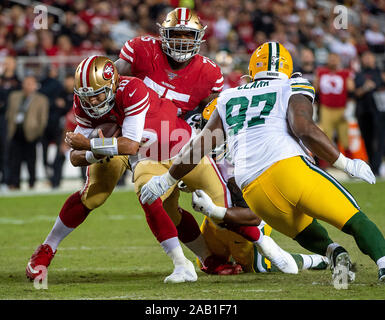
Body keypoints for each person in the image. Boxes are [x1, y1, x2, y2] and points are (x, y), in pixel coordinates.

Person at [140, 41, 385, 283]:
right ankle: (384, 264)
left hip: (255, 191)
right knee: (354, 219)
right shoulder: (292, 84)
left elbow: (198, 147)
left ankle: (332, 252)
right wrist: (346, 163)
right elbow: (304, 129)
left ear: (253, 69)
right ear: (287, 67)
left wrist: (167, 179)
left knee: (303, 228)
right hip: (289, 168)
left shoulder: (229, 96)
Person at [114, 7, 297, 278]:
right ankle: (205, 259)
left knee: (220, 200)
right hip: (148, 146)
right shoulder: (141, 50)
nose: (181, 41)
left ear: (198, 38)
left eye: (188, 35)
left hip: (185, 144)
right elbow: (109, 87)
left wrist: (205, 139)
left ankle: (260, 247)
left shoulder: (209, 73)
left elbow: (211, 117)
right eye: (175, 34)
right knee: (164, 208)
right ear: (163, 34)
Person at [25, 55, 197, 283]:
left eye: (97, 94)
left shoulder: (131, 89)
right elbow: (75, 159)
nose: (93, 102)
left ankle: (215, 254)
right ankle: (48, 247)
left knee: (182, 200)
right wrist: (93, 152)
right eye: (86, 96)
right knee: (94, 194)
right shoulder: (83, 103)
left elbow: (130, 144)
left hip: (157, 142)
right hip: (116, 146)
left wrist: (89, 144)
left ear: (113, 84)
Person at [5, 75, 49, 189]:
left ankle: (31, 183)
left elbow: (43, 119)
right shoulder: (14, 96)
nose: (28, 85)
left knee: (31, 161)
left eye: (31, 83)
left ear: (35, 85)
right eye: (26, 83)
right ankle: (14, 183)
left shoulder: (42, 99)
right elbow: (9, 114)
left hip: (31, 134)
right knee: (15, 161)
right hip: (16, 132)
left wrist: (37, 133)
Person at [313, 53, 355, 160]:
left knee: (344, 137)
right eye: (331, 59)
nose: (333, 61)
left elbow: (351, 89)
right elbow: (315, 88)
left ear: (339, 61)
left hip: (341, 109)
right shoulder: (321, 72)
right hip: (326, 108)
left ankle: (350, 164)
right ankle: (324, 164)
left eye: (335, 59)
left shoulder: (345, 73)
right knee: (326, 137)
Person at [354, 51, 385, 176]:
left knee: (380, 140)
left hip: (379, 112)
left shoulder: (380, 73)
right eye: (365, 57)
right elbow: (356, 92)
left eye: (369, 57)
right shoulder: (359, 75)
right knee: (367, 139)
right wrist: (366, 88)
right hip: (363, 111)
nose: (367, 59)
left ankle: (376, 167)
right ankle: (372, 166)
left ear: (373, 58)